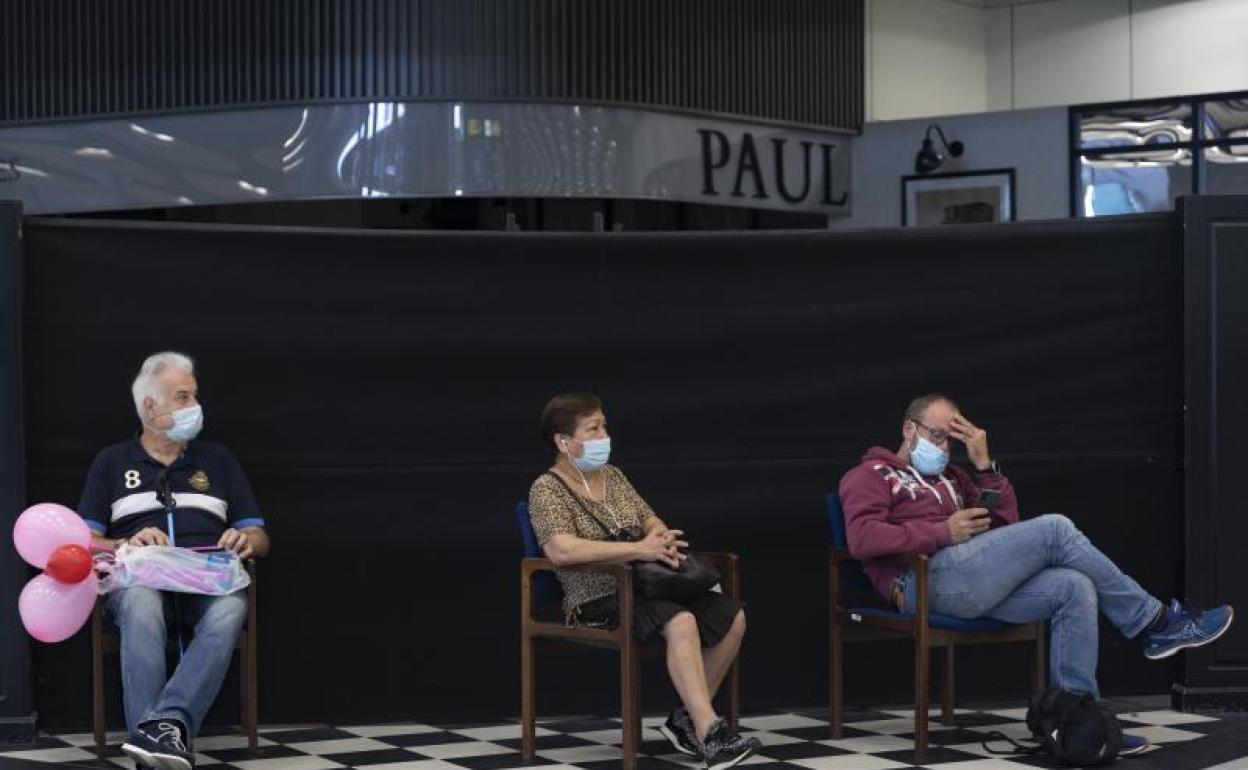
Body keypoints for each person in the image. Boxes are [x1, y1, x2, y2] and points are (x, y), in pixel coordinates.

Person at [839, 393, 1234, 756]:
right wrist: (943, 531)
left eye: (950, 440)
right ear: (909, 429)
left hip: (971, 580)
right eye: (937, 435)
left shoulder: (953, 479)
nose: (942, 447)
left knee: (1072, 586)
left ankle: (1078, 726)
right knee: (1056, 529)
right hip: (921, 583)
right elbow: (862, 538)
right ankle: (1156, 622)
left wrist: (983, 465)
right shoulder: (871, 474)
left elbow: (1006, 526)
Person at [528, 392, 759, 770]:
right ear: (563, 441)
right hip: (599, 594)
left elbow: (649, 517)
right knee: (681, 621)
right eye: (594, 428)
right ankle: (711, 734)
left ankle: (684, 718)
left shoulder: (613, 477)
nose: (605, 434)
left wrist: (658, 537)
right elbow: (562, 551)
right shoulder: (547, 489)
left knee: (733, 616)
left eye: (604, 425)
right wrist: (637, 550)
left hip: (645, 585)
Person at [78, 352, 270, 770]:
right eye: (183, 397)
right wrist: (125, 542)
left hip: (208, 581)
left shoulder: (219, 460)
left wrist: (247, 539)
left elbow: (260, 535)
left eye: (195, 396)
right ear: (151, 406)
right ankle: (159, 746)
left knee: (232, 607)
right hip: (139, 582)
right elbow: (83, 543)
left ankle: (164, 727)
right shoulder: (110, 463)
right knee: (142, 601)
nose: (195, 407)